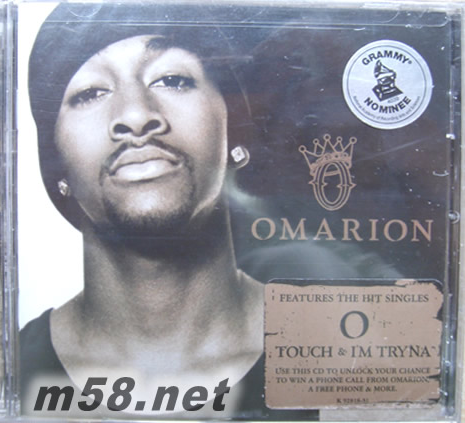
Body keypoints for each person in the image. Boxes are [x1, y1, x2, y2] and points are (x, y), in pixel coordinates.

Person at [21, 3, 317, 420]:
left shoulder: (329, 349)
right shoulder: (5, 373)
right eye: (90, 93)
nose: (136, 115)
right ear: (56, 167)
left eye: (172, 79)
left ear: (235, 130)